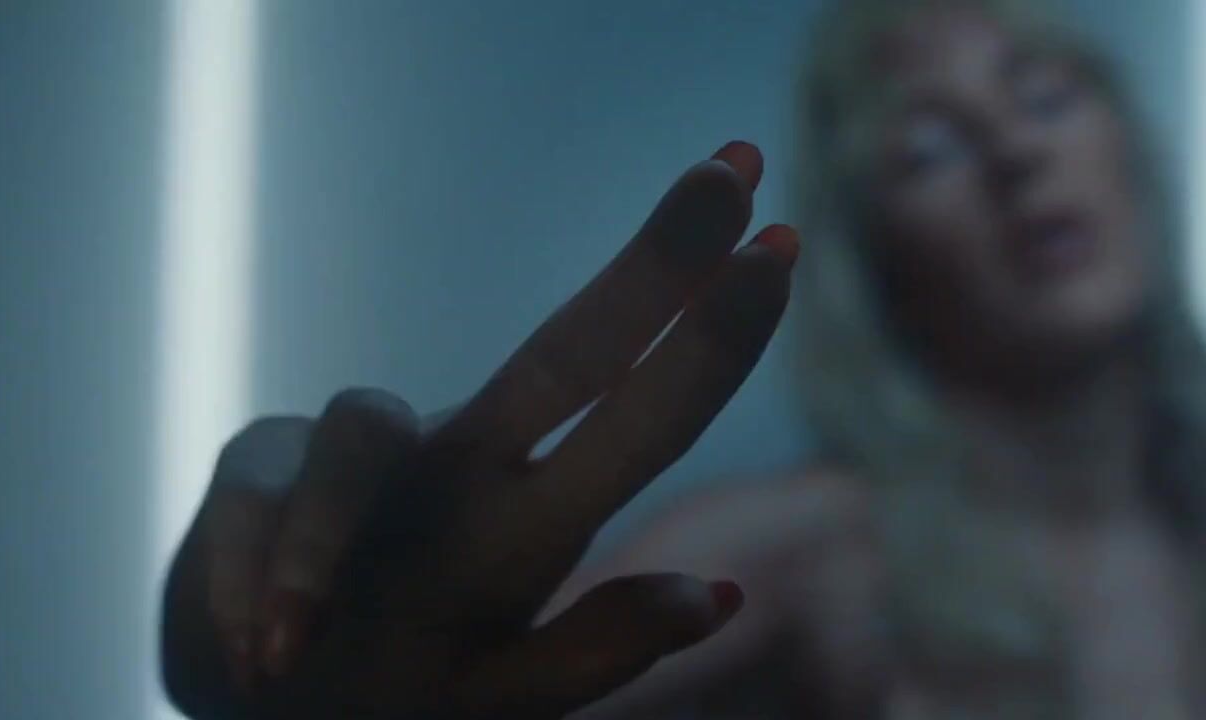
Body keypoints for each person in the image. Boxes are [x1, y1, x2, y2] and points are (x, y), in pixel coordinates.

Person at [159, 0, 1206, 717]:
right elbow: (444, 665)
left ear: (1132, 148)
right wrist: (282, 630)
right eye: (926, 149)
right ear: (875, 262)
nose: (1018, 153)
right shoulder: (821, 548)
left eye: (1044, 95)